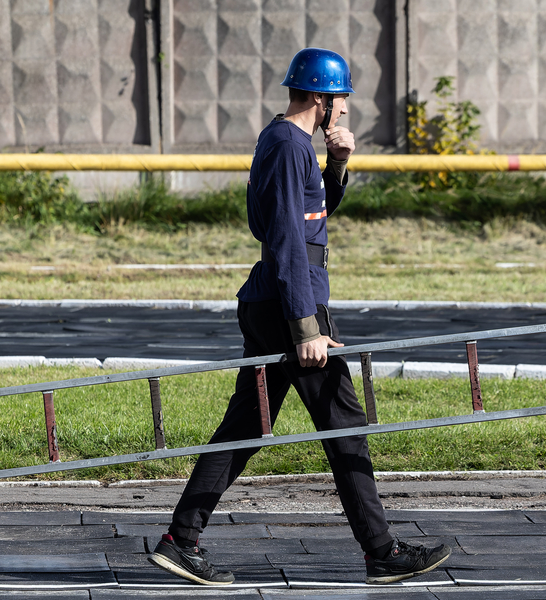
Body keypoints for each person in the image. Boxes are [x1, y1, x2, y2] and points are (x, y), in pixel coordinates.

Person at [147, 48, 451, 586]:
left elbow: (311, 213)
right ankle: (381, 550)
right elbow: (287, 238)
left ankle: (181, 539)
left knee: (248, 424)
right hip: (293, 302)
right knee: (344, 426)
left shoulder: (286, 141)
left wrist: (338, 164)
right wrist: (307, 329)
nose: (345, 111)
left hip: (279, 298)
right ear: (319, 98)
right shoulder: (289, 146)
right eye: (342, 101)